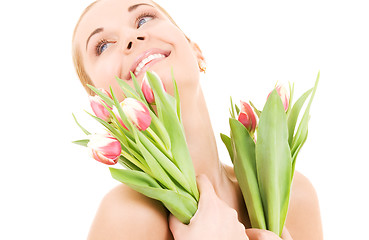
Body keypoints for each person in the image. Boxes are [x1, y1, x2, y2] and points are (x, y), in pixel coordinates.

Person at [72, 0, 323, 239]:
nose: (130, 37)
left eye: (144, 19)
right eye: (103, 45)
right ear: (102, 106)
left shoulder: (294, 196)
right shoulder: (126, 217)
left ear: (196, 51)